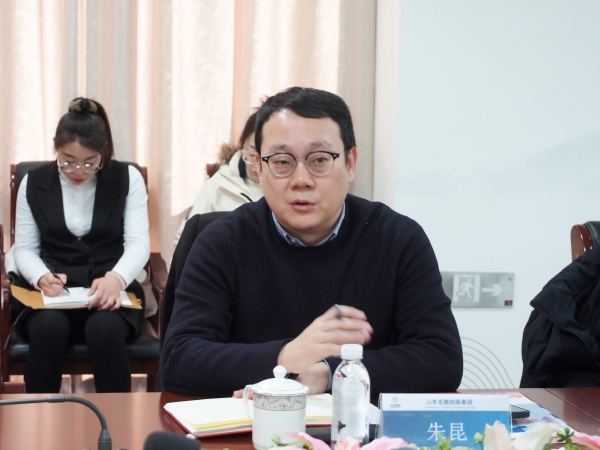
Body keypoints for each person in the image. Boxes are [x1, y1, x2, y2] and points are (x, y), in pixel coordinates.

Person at [160, 87, 462, 397]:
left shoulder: (398, 239)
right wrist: (287, 356)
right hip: (250, 424)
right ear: (259, 168)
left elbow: (441, 357)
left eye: (319, 160)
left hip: (359, 425)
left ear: (350, 163)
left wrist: (330, 373)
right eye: (282, 161)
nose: (301, 180)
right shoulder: (221, 242)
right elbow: (179, 359)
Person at [13, 97, 150, 393]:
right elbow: (24, 248)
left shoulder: (127, 178)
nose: (78, 171)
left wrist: (117, 279)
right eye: (68, 161)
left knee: (104, 330)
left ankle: (114, 420)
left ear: (104, 152)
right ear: (55, 147)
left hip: (110, 286)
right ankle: (39, 416)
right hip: (52, 292)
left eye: (90, 163)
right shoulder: (34, 183)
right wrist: (40, 276)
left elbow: (138, 242)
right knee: (48, 329)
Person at [173, 112, 263, 246]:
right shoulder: (219, 184)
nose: (257, 163)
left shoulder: (285, 187)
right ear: (243, 144)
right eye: (252, 153)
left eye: (265, 155)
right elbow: (184, 240)